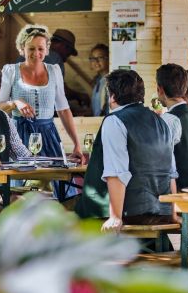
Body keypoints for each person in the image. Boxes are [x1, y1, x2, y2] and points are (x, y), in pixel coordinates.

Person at [75, 69, 178, 231]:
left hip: (127, 213)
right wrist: (172, 213)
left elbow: (116, 173)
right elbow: (171, 173)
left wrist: (115, 217)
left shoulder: (115, 121)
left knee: (60, 210)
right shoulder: (161, 123)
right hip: (160, 211)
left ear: (113, 96)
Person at [0, 24, 84, 161]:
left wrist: (77, 145)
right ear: (21, 49)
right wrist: (15, 103)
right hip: (18, 136)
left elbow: (63, 110)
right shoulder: (11, 71)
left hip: (48, 136)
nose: (36, 53)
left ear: (47, 50)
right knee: (22, 181)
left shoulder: (55, 71)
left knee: (52, 180)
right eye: (31, 48)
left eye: (41, 48)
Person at [89, 44, 110, 116]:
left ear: (109, 59)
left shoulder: (110, 81)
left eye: (100, 58)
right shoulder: (99, 81)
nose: (96, 61)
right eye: (92, 59)